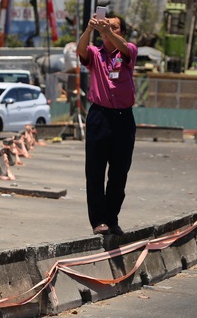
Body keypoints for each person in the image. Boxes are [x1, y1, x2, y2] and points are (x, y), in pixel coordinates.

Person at [76, 12, 138, 236]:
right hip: (99, 116)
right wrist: (89, 29)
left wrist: (107, 30)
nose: (108, 29)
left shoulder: (128, 50)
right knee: (94, 171)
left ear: (121, 32)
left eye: (114, 27)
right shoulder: (95, 53)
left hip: (123, 118)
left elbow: (126, 48)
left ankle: (112, 218)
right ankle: (98, 220)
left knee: (119, 172)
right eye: (106, 25)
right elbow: (81, 50)